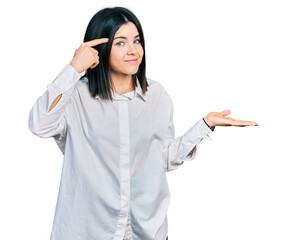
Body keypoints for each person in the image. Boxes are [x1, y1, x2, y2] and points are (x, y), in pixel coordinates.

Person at [28, 6, 258, 240]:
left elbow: (162, 160)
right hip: (88, 232)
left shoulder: (156, 95)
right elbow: (39, 125)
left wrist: (204, 126)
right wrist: (74, 68)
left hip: (147, 232)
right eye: (120, 42)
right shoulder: (75, 96)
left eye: (136, 41)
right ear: (99, 48)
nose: (133, 50)